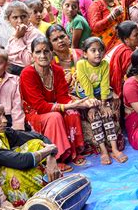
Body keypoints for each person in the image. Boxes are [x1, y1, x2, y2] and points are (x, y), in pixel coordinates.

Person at [20, 37, 96, 171]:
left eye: (46, 51)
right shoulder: (27, 73)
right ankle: (55, 157)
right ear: (32, 55)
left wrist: (75, 103)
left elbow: (62, 97)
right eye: (38, 52)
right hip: (35, 113)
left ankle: (73, 153)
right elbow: (39, 106)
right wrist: (66, 106)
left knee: (72, 112)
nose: (42, 56)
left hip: (52, 106)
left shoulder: (57, 70)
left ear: (52, 53)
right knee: (55, 116)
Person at [0, 99, 60, 207]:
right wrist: (49, 150)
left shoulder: (4, 134)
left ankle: (51, 190)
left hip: (16, 164)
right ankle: (35, 204)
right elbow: (22, 161)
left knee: (36, 143)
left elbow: (40, 137)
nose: (5, 120)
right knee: (14, 172)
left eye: (4, 115)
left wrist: (51, 157)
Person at [75, 37, 127, 165]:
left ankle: (114, 149)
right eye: (93, 50)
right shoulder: (81, 64)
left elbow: (104, 84)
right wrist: (92, 106)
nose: (98, 53)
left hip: (100, 93)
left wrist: (104, 104)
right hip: (85, 94)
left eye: (100, 50)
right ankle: (104, 151)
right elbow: (86, 85)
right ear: (85, 54)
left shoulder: (104, 65)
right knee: (94, 118)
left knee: (106, 114)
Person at [0, 48, 25, 130]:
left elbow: (17, 107)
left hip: (10, 119)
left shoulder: (15, 81)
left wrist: (18, 127)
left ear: (6, 65)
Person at [107, 21, 138, 115]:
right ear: (126, 39)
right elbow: (132, 77)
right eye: (136, 35)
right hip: (115, 90)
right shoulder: (127, 53)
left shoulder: (120, 45)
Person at [5, 1, 42, 76]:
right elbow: (9, 55)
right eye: (15, 17)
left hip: (26, 73)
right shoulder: (15, 32)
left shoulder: (35, 34)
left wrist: (19, 38)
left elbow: (29, 61)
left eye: (23, 16)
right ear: (8, 20)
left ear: (29, 17)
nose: (20, 21)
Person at [46, 24, 83, 93]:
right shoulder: (48, 62)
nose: (60, 41)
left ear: (68, 38)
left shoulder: (81, 54)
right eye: (55, 39)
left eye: (62, 37)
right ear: (50, 45)